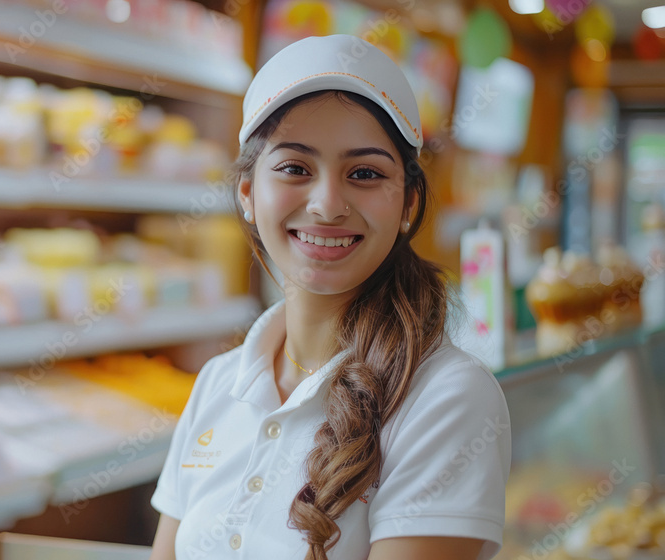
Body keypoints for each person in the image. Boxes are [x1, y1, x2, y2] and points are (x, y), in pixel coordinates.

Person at [148, 35, 511, 560]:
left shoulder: (447, 399)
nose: (327, 205)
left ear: (408, 202)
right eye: (295, 168)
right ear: (248, 194)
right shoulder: (217, 384)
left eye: (364, 174)